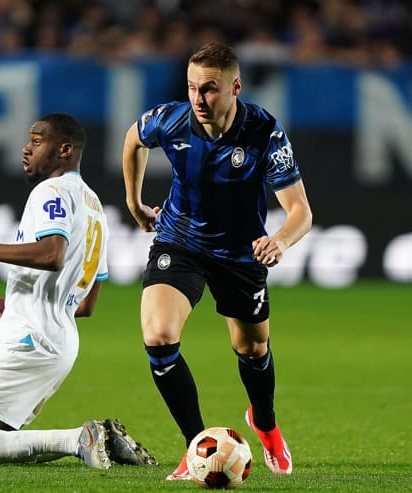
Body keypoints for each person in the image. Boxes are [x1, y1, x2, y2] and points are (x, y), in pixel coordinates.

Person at [122, 42, 312, 480]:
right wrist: (133, 201)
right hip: (180, 242)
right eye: (192, 88)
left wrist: (280, 240)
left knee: (252, 348)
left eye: (209, 89)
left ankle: (264, 423)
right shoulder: (171, 119)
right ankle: (194, 449)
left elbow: (301, 211)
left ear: (235, 87)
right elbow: (134, 139)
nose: (198, 99)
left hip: (240, 255)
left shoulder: (264, 131)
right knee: (159, 336)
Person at [0, 113, 156, 468]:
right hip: (60, 345)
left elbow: (52, 255)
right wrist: (14, 301)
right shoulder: (95, 207)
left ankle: (80, 438)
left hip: (29, 340)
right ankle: (104, 442)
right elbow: (86, 305)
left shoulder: (50, 191)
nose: (26, 149)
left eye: (36, 142)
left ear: (64, 150)